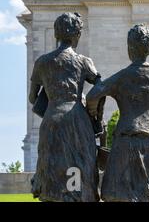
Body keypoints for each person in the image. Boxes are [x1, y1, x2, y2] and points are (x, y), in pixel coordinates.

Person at [86, 24, 149, 202]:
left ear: (129, 48)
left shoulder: (121, 77)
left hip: (125, 140)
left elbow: (92, 95)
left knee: (117, 194)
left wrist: (96, 117)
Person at [29, 13, 100, 202]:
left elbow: (32, 97)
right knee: (78, 164)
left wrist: (51, 107)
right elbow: (100, 88)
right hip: (77, 118)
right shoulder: (84, 61)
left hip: (52, 117)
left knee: (51, 164)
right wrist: (95, 116)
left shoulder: (42, 62)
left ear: (56, 34)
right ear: (77, 34)